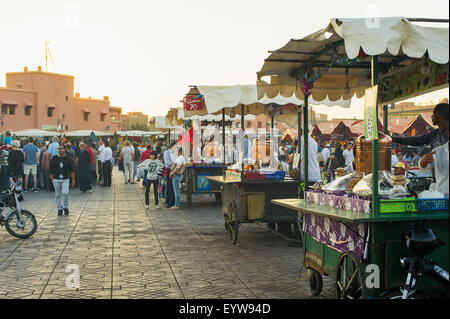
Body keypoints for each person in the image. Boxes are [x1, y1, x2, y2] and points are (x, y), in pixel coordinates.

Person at [419, 126, 449, 197]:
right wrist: (424, 160)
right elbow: (423, 167)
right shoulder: (438, 151)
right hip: (442, 198)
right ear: (448, 133)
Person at [50, 144, 75, 215]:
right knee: (57, 194)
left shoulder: (68, 159)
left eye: (61, 148)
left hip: (65, 178)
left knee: (65, 192)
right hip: (56, 179)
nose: (60, 150)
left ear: (64, 149)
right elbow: (51, 169)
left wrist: (73, 180)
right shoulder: (54, 158)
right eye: (59, 148)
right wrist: (52, 179)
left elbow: (71, 170)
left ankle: (66, 206)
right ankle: (59, 208)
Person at [163, 142, 176, 208]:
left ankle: (173, 201)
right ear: (171, 146)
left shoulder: (176, 152)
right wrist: (175, 163)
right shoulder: (167, 153)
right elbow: (167, 163)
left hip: (175, 170)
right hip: (169, 170)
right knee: (169, 186)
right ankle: (168, 202)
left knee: (174, 186)